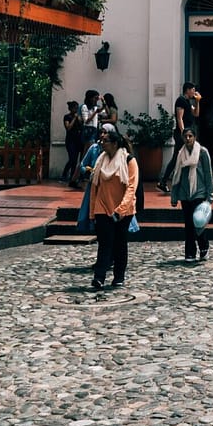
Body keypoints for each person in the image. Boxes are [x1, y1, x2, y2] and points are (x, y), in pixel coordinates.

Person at [89, 128, 138, 289]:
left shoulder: (128, 161)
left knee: (119, 243)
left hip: (123, 210)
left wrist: (121, 209)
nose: (102, 143)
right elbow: (95, 187)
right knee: (104, 243)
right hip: (102, 207)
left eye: (106, 141)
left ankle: (119, 276)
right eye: (101, 141)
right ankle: (99, 277)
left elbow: (131, 187)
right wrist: (92, 211)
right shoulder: (100, 161)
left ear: (115, 143)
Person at [169, 127, 213, 262]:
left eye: (190, 136)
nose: (188, 139)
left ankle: (204, 247)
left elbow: (208, 174)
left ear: (194, 137)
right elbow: (177, 176)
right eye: (185, 136)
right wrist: (174, 196)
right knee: (188, 224)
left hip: (199, 192)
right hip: (184, 193)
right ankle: (190, 252)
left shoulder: (202, 152)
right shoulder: (180, 154)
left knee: (198, 222)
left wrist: (210, 194)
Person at [158, 81, 201, 193]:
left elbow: (196, 113)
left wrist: (197, 101)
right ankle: (164, 182)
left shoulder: (187, 101)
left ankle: (164, 182)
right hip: (182, 134)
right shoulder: (181, 100)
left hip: (187, 134)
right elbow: (179, 118)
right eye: (193, 89)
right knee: (181, 157)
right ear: (187, 90)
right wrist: (184, 134)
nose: (194, 91)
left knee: (182, 157)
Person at [62, 101, 83, 185]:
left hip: (78, 140)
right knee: (72, 158)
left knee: (76, 159)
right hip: (70, 140)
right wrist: (74, 118)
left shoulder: (79, 117)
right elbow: (68, 127)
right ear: (71, 109)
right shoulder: (67, 117)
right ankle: (64, 174)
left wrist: (78, 119)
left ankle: (72, 176)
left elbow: (82, 125)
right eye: (75, 108)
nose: (76, 110)